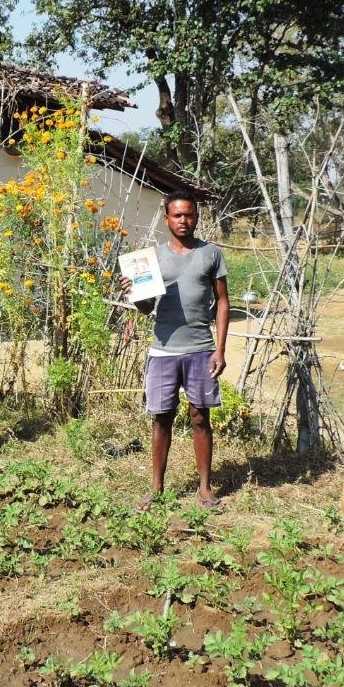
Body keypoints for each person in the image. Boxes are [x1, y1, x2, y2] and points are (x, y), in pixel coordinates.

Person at [118, 192, 229, 510]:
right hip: (164, 350)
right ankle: (156, 488)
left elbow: (222, 301)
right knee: (162, 417)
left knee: (199, 416)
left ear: (196, 217)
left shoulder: (211, 254)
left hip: (200, 349)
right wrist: (134, 293)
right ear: (166, 219)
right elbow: (146, 307)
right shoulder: (151, 259)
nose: (184, 221)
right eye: (177, 216)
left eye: (189, 215)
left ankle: (205, 488)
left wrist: (219, 349)